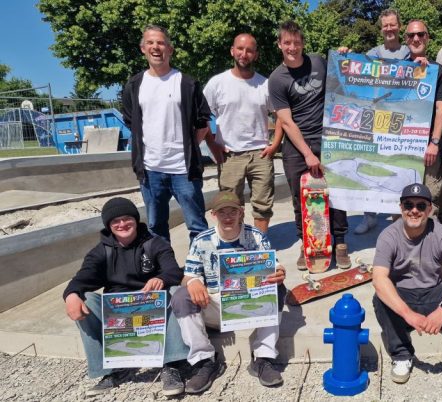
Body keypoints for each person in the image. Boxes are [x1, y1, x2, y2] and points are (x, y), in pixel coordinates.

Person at [63, 197, 188, 397]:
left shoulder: (155, 243)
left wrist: (161, 279)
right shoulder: (100, 252)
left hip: (154, 311)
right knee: (84, 299)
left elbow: (174, 271)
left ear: (136, 220)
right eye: (115, 221)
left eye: (127, 218)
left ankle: (171, 365)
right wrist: (70, 294)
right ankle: (112, 369)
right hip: (119, 316)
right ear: (109, 225)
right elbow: (82, 278)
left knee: (175, 292)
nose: (122, 224)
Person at [170, 191, 287, 393]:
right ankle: (205, 361)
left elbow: (274, 266)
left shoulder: (256, 237)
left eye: (232, 211)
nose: (227, 217)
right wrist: (192, 282)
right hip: (214, 304)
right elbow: (187, 276)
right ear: (213, 215)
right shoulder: (201, 240)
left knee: (278, 287)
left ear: (241, 212)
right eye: (221, 212)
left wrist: (279, 272)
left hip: (248, 304)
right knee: (181, 295)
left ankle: (263, 358)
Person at [121, 25, 222, 244]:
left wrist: (191, 147)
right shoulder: (134, 85)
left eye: (161, 43)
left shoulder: (186, 83)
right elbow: (131, 121)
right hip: (150, 170)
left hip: (183, 169)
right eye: (150, 43)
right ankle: (165, 271)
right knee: (156, 226)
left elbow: (203, 121)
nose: (156, 47)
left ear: (170, 49)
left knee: (196, 224)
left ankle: (200, 268)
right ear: (143, 48)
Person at [268, 20, 350, 270]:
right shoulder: (276, 79)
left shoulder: (318, 62)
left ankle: (341, 243)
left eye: (296, 42)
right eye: (287, 43)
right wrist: (308, 154)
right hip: (296, 145)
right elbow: (286, 122)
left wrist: (345, 58)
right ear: (280, 44)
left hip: (328, 140)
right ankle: (307, 245)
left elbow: (342, 79)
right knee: (299, 198)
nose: (292, 47)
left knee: (335, 194)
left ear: (303, 43)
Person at [372, 183, 442, 384]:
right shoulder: (388, 235)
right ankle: (401, 354)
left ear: (430, 209)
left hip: (433, 294)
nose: (414, 210)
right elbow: (379, 278)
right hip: (404, 296)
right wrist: (408, 314)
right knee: (381, 296)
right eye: (409, 205)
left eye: (421, 205)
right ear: (401, 208)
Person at [203, 33, 283, 234]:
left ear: (255, 55)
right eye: (240, 48)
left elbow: (280, 115)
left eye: (249, 50)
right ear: (232, 51)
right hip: (230, 155)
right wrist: (213, 145)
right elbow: (201, 116)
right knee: (229, 206)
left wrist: (275, 144)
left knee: (263, 205)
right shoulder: (217, 83)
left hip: (260, 154)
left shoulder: (265, 84)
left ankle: (260, 245)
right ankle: (237, 244)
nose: (244, 54)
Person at [354, 8, 411, 235]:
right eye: (385, 25)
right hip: (376, 117)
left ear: (399, 26)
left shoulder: (409, 53)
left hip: (402, 119)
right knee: (371, 166)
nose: (389, 29)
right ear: (381, 28)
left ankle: (399, 215)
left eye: (392, 24)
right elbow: (355, 73)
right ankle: (370, 216)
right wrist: (344, 55)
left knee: (398, 167)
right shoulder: (372, 53)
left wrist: (423, 61)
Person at [403, 20, 442, 226]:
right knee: (402, 192)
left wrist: (434, 142)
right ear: (405, 39)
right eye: (411, 35)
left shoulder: (437, 71)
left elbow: (441, 108)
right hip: (400, 145)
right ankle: (403, 239)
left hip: (428, 146)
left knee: (431, 192)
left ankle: (431, 238)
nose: (416, 39)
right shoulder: (396, 68)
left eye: (421, 34)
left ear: (428, 38)